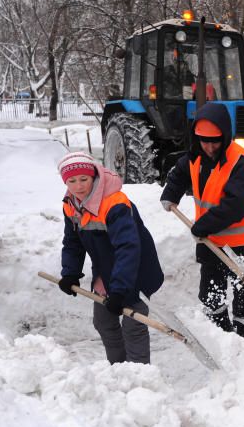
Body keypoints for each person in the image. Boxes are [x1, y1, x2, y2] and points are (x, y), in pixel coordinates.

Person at [160, 103, 244, 352]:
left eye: (214, 141)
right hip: (210, 241)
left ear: (225, 136)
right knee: (210, 294)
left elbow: (235, 206)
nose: (209, 146)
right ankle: (221, 337)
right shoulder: (196, 155)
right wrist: (171, 193)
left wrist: (202, 226)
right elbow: (180, 173)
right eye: (203, 140)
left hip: (242, 245)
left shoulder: (240, 163)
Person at [57, 152, 164, 364]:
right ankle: (118, 370)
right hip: (106, 272)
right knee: (104, 322)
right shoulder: (70, 205)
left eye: (84, 179)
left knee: (133, 326)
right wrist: (70, 273)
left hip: (134, 271)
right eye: (72, 181)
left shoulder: (114, 203)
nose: (78, 186)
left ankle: (140, 377)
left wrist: (120, 290)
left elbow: (128, 248)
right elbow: (72, 243)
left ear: (93, 177)